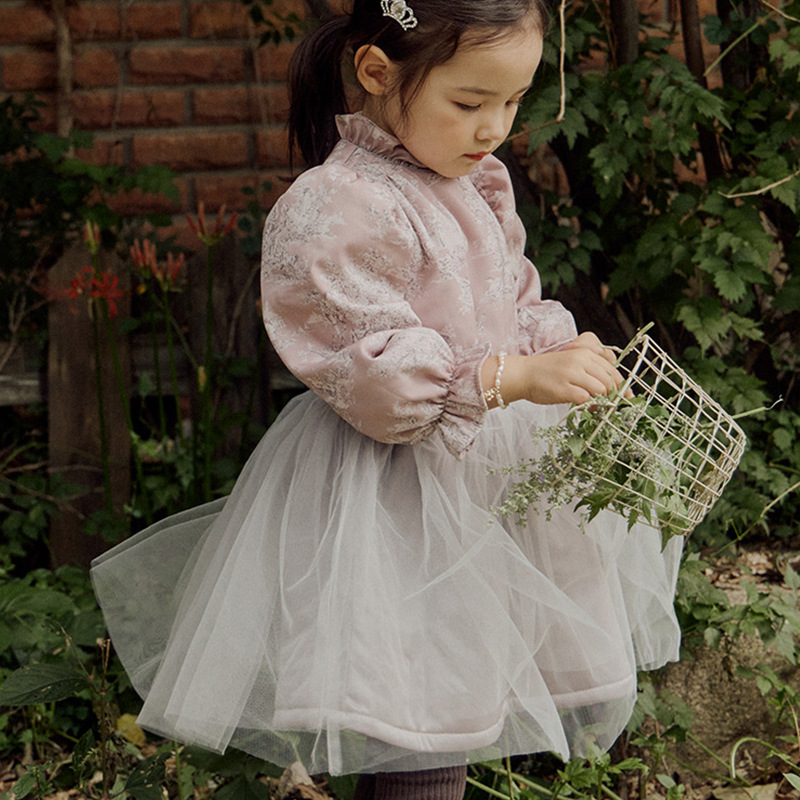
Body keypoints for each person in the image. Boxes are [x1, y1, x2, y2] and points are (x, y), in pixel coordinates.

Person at [91, 0, 684, 797]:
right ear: (377, 72)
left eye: (513, 101)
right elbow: (373, 376)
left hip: (481, 485)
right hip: (391, 499)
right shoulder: (338, 205)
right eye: (469, 103)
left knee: (454, 699)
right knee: (413, 713)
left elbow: (512, 297)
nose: (494, 128)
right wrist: (508, 378)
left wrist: (558, 349)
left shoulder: (476, 182)